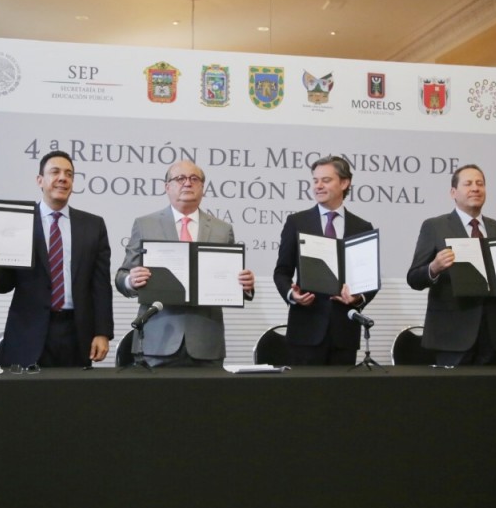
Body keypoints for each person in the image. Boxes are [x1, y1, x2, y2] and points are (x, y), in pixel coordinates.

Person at [0, 150, 113, 367]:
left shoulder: (93, 225)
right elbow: (7, 281)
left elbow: (101, 285)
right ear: (40, 180)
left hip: (76, 333)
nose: (63, 178)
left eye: (69, 174)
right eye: (55, 172)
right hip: (27, 332)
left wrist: (102, 332)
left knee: (75, 390)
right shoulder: (18, 221)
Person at [116, 160, 255, 366]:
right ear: (167, 186)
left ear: (202, 187)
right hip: (156, 341)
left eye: (194, 179)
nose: (187, 183)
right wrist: (130, 280)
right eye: (180, 178)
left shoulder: (222, 230)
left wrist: (245, 285)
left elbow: (230, 279)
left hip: (206, 343)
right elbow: (121, 277)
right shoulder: (145, 224)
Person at [407, 164, 496, 366]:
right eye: (468, 183)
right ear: (453, 192)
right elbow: (414, 279)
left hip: (493, 334)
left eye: (480, 184)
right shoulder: (434, 226)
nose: (475, 188)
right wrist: (434, 267)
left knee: (490, 388)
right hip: (451, 334)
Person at [272, 155, 377, 365]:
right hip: (305, 330)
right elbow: (282, 271)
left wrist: (357, 298)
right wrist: (292, 295)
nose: (318, 186)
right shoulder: (297, 222)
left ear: (344, 183)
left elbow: (369, 279)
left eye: (326, 180)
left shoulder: (362, 227)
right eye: (315, 180)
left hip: (344, 333)